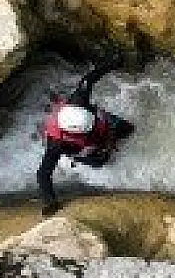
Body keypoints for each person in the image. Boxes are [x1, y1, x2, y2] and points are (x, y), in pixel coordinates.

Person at [38, 57, 135, 215]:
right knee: (99, 162)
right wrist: (50, 203)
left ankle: (107, 139)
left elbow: (89, 79)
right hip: (75, 147)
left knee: (128, 129)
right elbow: (43, 174)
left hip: (99, 128)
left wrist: (114, 63)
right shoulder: (56, 142)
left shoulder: (78, 101)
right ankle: (77, 158)